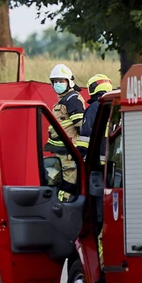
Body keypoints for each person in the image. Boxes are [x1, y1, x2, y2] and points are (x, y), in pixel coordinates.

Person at [47, 63, 86, 201]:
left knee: (68, 189)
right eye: (55, 81)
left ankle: (67, 210)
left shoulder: (72, 99)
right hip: (62, 153)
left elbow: (82, 127)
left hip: (70, 153)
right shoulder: (61, 101)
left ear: (69, 82)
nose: (58, 84)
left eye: (61, 81)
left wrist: (80, 151)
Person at [80, 74, 114, 159]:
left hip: (96, 161)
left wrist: (80, 153)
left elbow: (86, 133)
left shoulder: (94, 107)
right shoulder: (115, 106)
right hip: (112, 159)